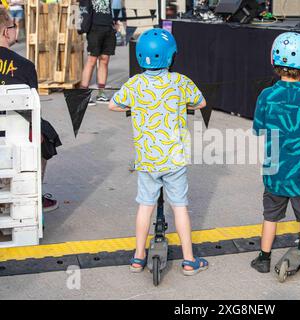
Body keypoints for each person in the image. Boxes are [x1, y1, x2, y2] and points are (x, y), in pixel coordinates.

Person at [108, 28, 209, 276]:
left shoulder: (135, 84)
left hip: (147, 160)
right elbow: (201, 103)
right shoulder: (179, 82)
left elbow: (112, 105)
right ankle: (189, 260)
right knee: (180, 207)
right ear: (171, 56)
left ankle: (138, 257)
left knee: (145, 205)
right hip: (174, 159)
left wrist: (137, 105)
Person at [251, 32, 300, 275]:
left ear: (274, 62)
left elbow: (259, 128)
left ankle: (263, 258)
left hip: (275, 168)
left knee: (270, 216)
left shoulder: (267, 96)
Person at [0, 7, 61, 212]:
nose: (15, 29)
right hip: (13, 137)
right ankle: (32, 194)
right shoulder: (24, 65)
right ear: (5, 32)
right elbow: (32, 109)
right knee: (45, 132)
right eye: (13, 26)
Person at [80, 0, 116, 105]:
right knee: (92, 60)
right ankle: (83, 95)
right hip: (94, 28)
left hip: (108, 28)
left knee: (104, 60)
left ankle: (101, 93)